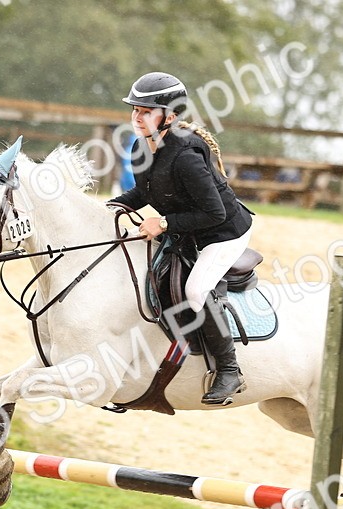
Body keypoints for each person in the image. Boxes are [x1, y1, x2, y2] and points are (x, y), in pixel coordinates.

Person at [108, 71, 253, 406]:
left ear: (169, 117)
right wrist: (114, 207)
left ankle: (230, 371)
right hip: (188, 229)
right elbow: (143, 191)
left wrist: (163, 223)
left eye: (146, 111)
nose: (137, 117)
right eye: (135, 110)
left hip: (223, 233)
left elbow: (214, 213)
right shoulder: (139, 145)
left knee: (196, 289)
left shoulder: (186, 156)